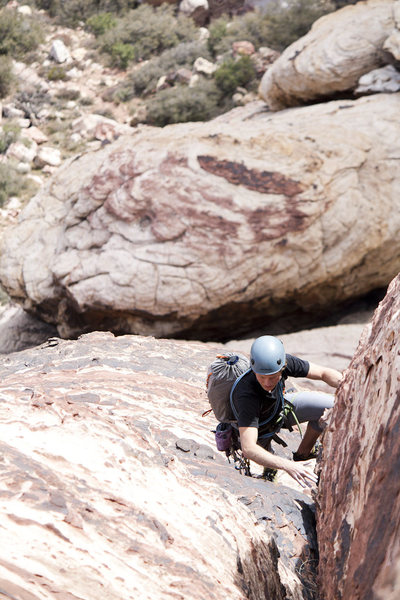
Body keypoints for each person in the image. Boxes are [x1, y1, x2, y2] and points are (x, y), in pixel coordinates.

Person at [230, 335, 342, 489]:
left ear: (282, 368)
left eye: (273, 377)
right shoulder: (246, 394)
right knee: (264, 453)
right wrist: (287, 466)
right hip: (259, 429)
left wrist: (346, 384)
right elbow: (248, 448)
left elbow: (323, 373)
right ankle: (271, 469)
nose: (267, 383)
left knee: (332, 405)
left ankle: (303, 454)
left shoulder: (283, 363)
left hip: (280, 409)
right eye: (262, 377)